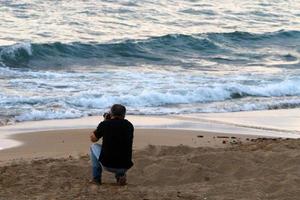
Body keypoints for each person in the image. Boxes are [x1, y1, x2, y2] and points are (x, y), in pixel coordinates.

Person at [89, 104, 134, 185]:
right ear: (124, 114)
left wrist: (104, 121)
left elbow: (93, 139)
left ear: (111, 113)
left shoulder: (105, 124)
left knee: (93, 147)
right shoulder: (129, 125)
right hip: (125, 166)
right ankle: (120, 176)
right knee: (120, 146)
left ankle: (96, 179)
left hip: (108, 165)